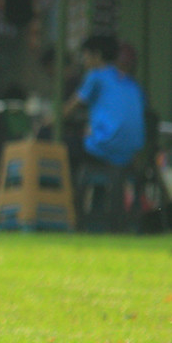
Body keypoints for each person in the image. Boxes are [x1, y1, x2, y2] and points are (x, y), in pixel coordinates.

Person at [61, 34, 146, 232]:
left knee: (59, 145)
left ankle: (69, 211)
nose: (83, 61)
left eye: (85, 56)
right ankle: (96, 211)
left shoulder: (96, 76)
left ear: (96, 56)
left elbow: (69, 109)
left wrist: (50, 119)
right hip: (131, 152)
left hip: (105, 148)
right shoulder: (130, 82)